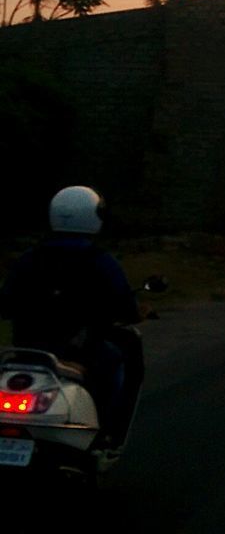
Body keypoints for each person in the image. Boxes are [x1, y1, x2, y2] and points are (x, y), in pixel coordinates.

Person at [0, 186, 141, 448]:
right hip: (80, 352)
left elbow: (5, 304)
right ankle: (104, 433)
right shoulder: (100, 261)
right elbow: (127, 308)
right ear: (94, 216)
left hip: (26, 351)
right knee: (116, 367)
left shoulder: (30, 259)